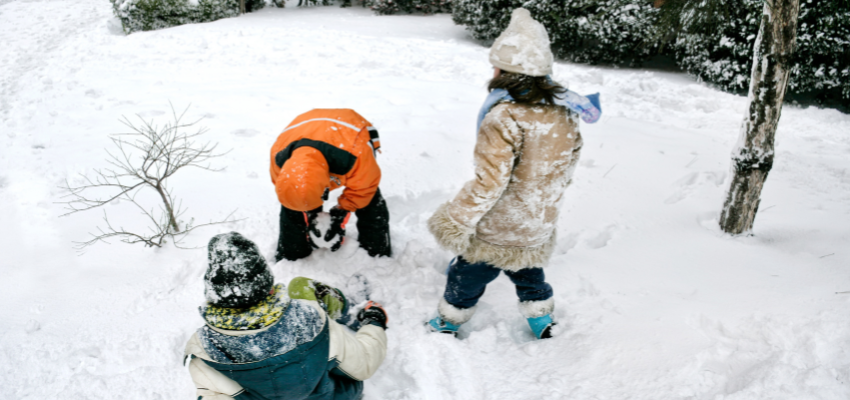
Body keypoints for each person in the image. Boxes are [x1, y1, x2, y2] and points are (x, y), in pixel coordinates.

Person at [426, 8, 601, 339]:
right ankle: (541, 320)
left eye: (497, 64)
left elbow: (489, 182)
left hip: (499, 226)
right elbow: (570, 159)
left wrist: (456, 219)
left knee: (466, 274)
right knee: (529, 271)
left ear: (506, 71)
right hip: (538, 219)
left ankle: (448, 322)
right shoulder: (565, 111)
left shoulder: (503, 115)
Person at [184, 232, 389, 400]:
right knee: (300, 285)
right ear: (267, 287)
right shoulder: (310, 321)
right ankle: (352, 313)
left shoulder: (205, 353)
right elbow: (366, 364)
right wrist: (374, 321)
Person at [269, 108, 391, 262]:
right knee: (294, 199)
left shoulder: (357, 155)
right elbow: (293, 194)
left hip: (350, 131)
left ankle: (377, 251)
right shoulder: (278, 161)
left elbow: (363, 190)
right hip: (305, 129)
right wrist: (310, 215)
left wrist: (341, 213)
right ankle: (291, 253)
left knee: (368, 196)